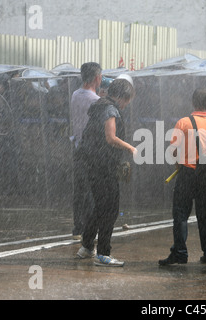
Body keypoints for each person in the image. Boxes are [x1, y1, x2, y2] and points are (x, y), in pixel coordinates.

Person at [76, 75, 136, 267]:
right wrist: (130, 148)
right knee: (110, 209)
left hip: (93, 164)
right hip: (103, 166)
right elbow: (110, 138)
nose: (127, 104)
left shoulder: (100, 106)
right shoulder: (110, 109)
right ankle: (103, 253)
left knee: (99, 206)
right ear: (121, 97)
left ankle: (86, 246)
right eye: (127, 100)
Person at [159, 88, 206, 266]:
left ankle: (180, 253)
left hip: (187, 173)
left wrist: (179, 165)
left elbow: (173, 151)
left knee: (180, 215)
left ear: (193, 102)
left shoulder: (183, 123)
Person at [71, 62, 102, 239]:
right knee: (91, 190)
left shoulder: (75, 95)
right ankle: (89, 228)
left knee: (80, 189)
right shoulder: (95, 100)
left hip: (77, 146)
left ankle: (78, 227)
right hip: (91, 149)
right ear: (97, 78)